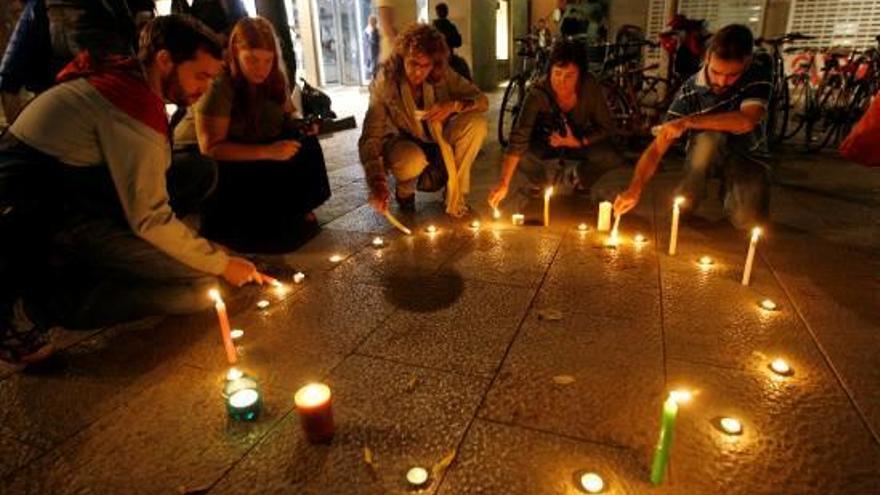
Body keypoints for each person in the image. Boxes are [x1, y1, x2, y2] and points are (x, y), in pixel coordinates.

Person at [0, 15, 264, 365]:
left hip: (84, 195)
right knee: (201, 290)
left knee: (197, 171)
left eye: (212, 78)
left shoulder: (129, 79)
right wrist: (219, 260)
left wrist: (210, 254)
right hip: (52, 218)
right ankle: (59, 302)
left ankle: (130, 263)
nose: (204, 88)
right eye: (200, 75)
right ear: (165, 60)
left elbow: (146, 184)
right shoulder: (129, 105)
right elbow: (150, 218)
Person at [173, 16, 331, 253]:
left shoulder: (274, 77)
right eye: (252, 60)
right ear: (236, 53)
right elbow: (211, 147)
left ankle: (296, 208)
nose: (261, 69)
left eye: (267, 60)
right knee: (264, 170)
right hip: (208, 156)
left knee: (305, 145)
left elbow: (287, 116)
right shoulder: (220, 83)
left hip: (250, 139)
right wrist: (267, 151)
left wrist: (303, 125)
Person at [613, 24, 773, 229]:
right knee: (708, 139)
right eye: (716, 72)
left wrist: (687, 121)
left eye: (732, 75)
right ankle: (691, 190)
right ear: (707, 58)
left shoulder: (759, 70)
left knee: (746, 221)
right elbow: (657, 148)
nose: (722, 81)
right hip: (706, 153)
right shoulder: (689, 92)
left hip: (747, 154)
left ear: (748, 62)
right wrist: (634, 189)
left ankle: (734, 190)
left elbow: (747, 120)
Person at [359, 23, 487, 216]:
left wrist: (452, 106)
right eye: (413, 64)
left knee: (476, 124)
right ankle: (405, 190)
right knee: (411, 160)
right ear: (402, 58)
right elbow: (371, 135)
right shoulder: (386, 81)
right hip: (402, 142)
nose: (418, 72)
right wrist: (376, 183)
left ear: (434, 63)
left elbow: (482, 101)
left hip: (438, 139)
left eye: (425, 65)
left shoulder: (443, 75)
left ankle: (456, 193)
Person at [488, 40, 621, 209]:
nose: (562, 81)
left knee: (611, 156)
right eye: (557, 73)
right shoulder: (537, 93)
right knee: (523, 156)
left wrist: (578, 141)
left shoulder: (589, 86)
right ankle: (541, 184)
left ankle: (580, 178)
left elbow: (607, 126)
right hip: (545, 142)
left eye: (569, 76)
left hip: (578, 139)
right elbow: (518, 138)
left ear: (581, 75)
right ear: (549, 70)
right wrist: (504, 183)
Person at [432, 2, 470, 81]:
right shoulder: (450, 27)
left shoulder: (433, 27)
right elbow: (458, 42)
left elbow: (458, 42)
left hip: (440, 56)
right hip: (447, 57)